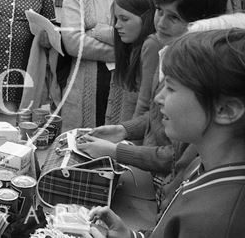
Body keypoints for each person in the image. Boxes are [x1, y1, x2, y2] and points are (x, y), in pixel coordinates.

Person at [78, 0, 229, 212]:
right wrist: (123, 129)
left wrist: (118, 151)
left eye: (174, 17)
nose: (161, 23)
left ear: (202, 22)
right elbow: (157, 115)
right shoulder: (167, 51)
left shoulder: (203, 78)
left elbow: (175, 157)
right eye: (160, 11)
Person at [88, 29, 245, 238]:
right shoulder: (198, 162)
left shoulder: (218, 221)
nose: (158, 99)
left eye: (170, 88)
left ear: (226, 110)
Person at [61, 0, 152, 130]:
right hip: (85, 82)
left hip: (131, 83)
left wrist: (97, 31)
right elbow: (74, 44)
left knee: (123, 145)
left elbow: (148, 41)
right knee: (82, 146)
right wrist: (125, 48)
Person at [106, 0, 156, 124]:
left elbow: (144, 105)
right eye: (116, 19)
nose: (117, 25)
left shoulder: (151, 46)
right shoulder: (133, 48)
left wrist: (130, 142)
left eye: (124, 19)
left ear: (147, 17)